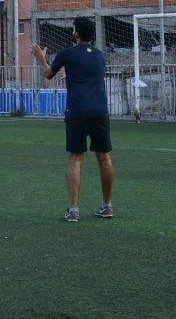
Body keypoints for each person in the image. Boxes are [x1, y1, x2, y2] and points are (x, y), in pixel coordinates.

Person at [31, 17, 114, 223]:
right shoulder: (99, 55)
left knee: (75, 158)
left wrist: (41, 57)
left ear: (75, 33)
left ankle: (74, 210)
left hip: (78, 111)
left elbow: (48, 74)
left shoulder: (66, 53)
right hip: (100, 111)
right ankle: (107, 206)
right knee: (104, 158)